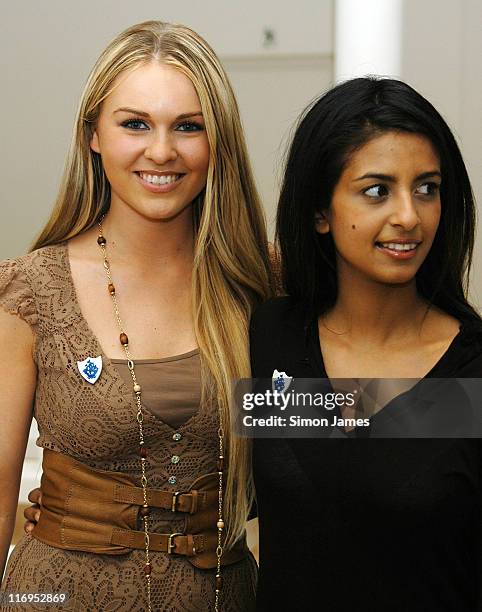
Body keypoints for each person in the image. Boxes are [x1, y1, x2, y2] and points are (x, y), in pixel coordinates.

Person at [0, 20, 272, 611]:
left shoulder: (261, 286)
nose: (162, 151)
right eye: (134, 124)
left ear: (216, 141)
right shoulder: (30, 290)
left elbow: (350, 423)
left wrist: (457, 407)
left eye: (188, 126)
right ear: (93, 135)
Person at [249, 77, 482, 611]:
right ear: (319, 212)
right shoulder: (272, 339)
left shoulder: (472, 374)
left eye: (427, 188)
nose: (409, 215)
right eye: (377, 190)